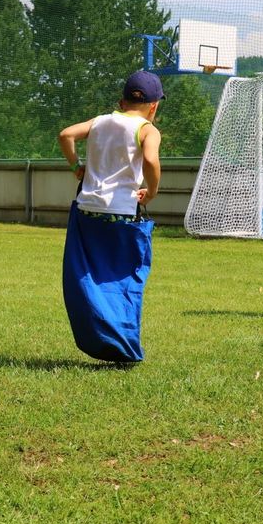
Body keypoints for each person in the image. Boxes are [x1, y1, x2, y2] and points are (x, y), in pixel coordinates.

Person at [57, 70, 163, 362]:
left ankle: (99, 337)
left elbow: (66, 135)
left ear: (121, 101)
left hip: (87, 209)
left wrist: (76, 166)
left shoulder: (100, 122)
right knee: (122, 280)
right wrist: (152, 191)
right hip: (121, 213)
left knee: (87, 277)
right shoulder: (147, 129)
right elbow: (150, 159)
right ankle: (122, 344)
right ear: (153, 106)